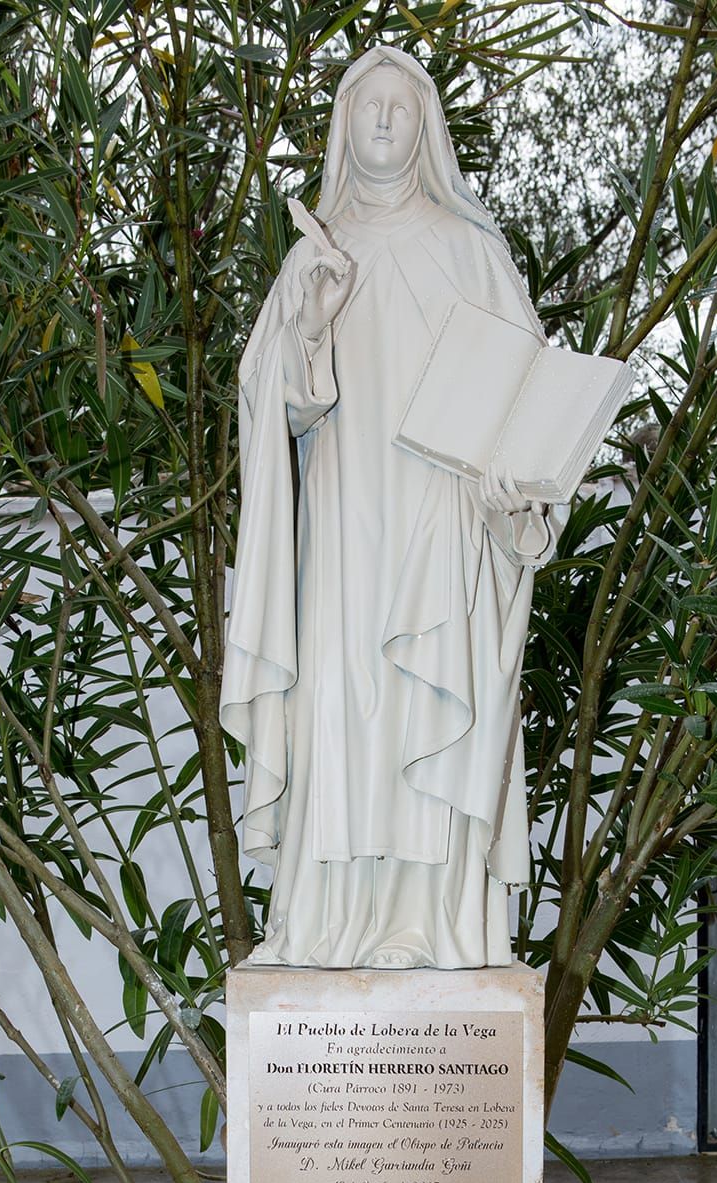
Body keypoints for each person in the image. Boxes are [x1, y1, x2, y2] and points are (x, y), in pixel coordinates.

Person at [220, 45, 564, 969]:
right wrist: (311, 320)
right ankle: (328, 920)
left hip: (441, 524)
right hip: (342, 521)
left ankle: (428, 917)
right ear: (341, 125)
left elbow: (531, 399)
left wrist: (511, 501)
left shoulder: (471, 253)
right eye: (365, 105)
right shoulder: (314, 257)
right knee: (343, 705)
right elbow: (271, 404)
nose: (381, 120)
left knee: (422, 702)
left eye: (399, 108)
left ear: (426, 129)